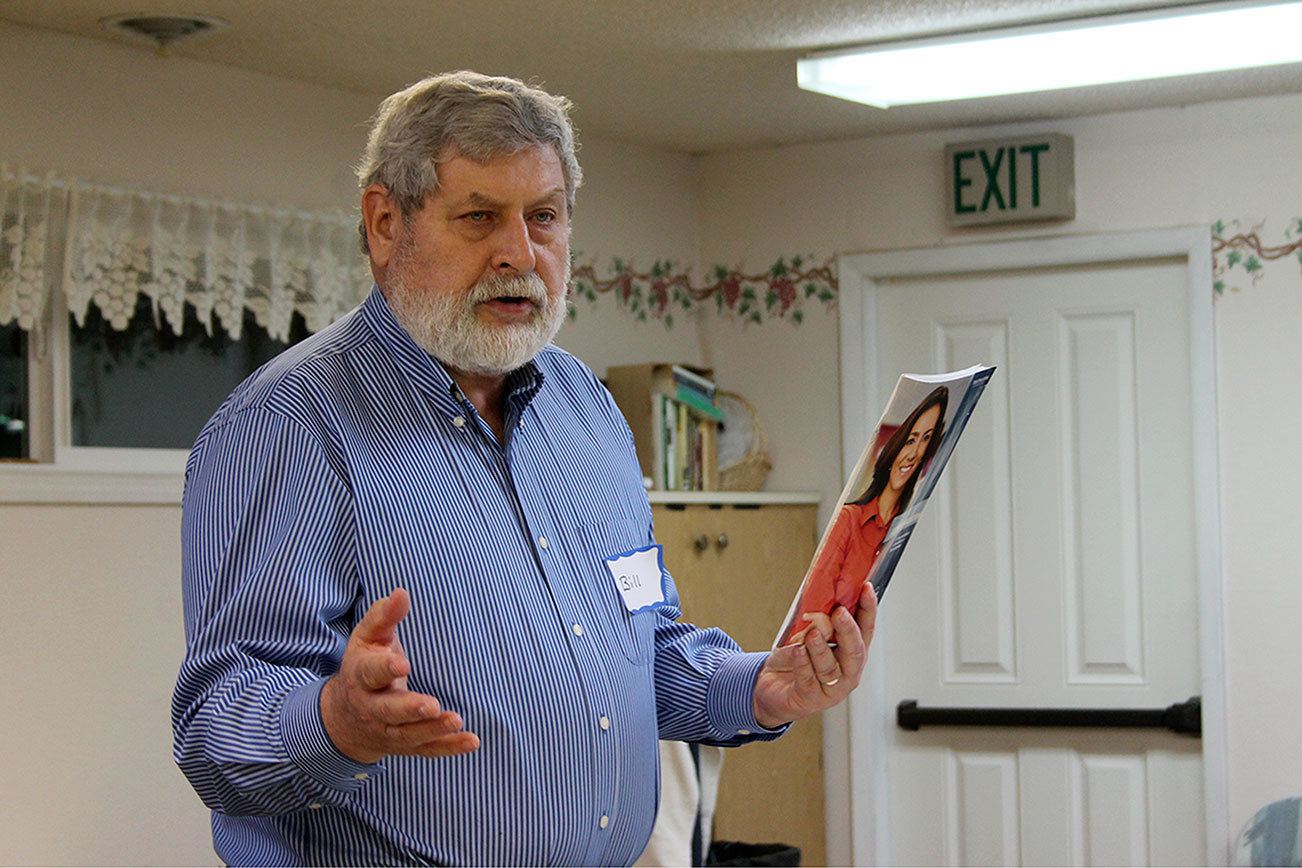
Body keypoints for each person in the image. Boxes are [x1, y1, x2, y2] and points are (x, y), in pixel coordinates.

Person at [171, 71, 877, 867]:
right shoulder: (288, 425)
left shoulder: (586, 407)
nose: (519, 253)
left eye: (543, 216)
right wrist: (338, 721)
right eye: (480, 217)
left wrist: (761, 687)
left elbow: (643, 651)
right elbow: (213, 730)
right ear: (385, 224)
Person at [778, 386, 946, 647]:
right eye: (910, 440)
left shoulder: (899, 529)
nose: (914, 453)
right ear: (896, 446)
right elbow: (812, 617)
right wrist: (825, 627)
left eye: (926, 440)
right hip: (808, 653)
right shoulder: (850, 519)